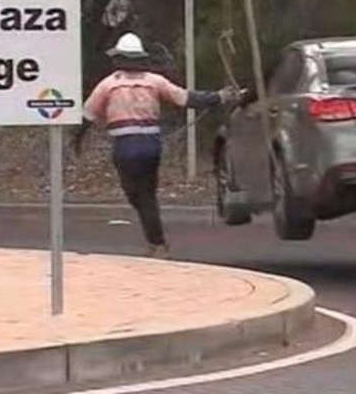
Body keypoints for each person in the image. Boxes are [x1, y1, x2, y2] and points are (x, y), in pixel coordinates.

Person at [76, 32, 244, 257]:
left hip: (125, 146)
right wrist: (220, 97)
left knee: (135, 194)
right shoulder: (154, 81)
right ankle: (156, 241)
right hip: (150, 145)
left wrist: (76, 140)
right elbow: (187, 98)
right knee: (147, 194)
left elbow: (87, 115)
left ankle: (157, 242)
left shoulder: (108, 85)